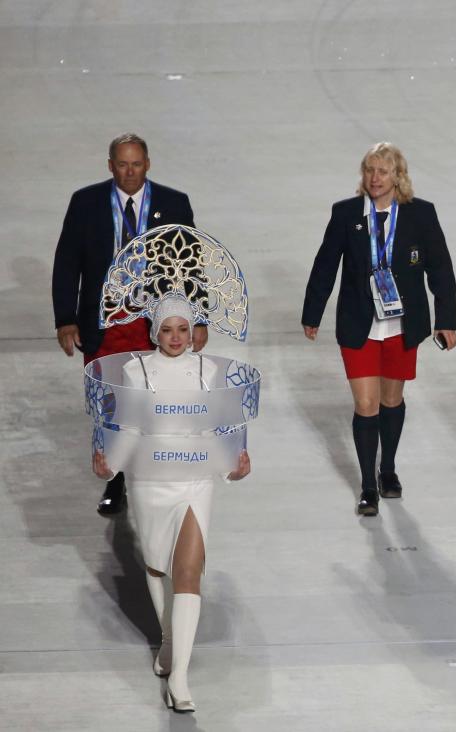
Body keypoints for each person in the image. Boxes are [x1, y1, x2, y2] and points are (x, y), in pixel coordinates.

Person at [92, 296, 250, 713]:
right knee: (157, 565)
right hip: (150, 479)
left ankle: (179, 676)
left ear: (193, 331)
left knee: (188, 572)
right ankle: (167, 641)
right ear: (154, 332)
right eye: (167, 330)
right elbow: (126, 425)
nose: (176, 337)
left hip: (196, 479)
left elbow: (223, 424)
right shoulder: (136, 370)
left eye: (183, 329)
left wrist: (234, 465)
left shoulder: (208, 370)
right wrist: (109, 467)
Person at [53, 133, 206, 516]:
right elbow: (67, 261)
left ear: (148, 164)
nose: (130, 172)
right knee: (111, 403)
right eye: (122, 164)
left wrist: (199, 317)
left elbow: (191, 266)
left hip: (154, 321)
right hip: (103, 323)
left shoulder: (173, 203)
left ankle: (149, 475)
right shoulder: (86, 203)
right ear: (110, 166)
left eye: (136, 164)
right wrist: (65, 319)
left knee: (152, 399)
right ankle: (115, 479)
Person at [302, 142, 456, 517]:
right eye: (370, 170)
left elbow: (440, 269)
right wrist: (313, 312)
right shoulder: (346, 214)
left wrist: (446, 321)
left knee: (391, 401)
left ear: (397, 177)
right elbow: (325, 264)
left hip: (402, 326)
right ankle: (368, 486)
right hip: (359, 324)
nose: (375, 178)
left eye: (383, 172)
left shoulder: (421, 215)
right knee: (365, 404)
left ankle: (387, 468)